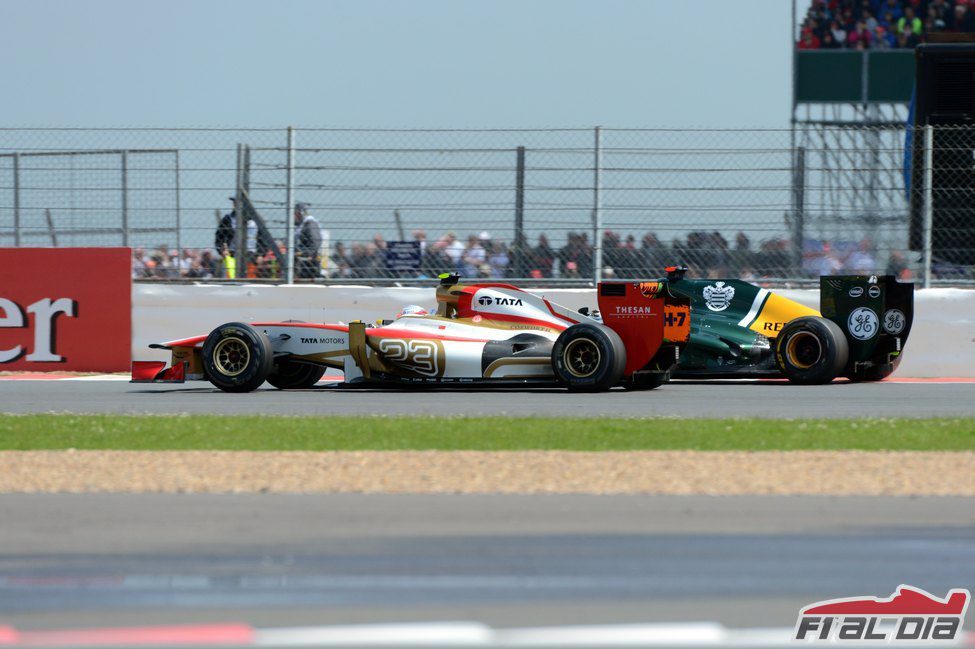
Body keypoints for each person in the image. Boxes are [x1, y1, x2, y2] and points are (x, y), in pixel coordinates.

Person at [293, 202, 322, 279]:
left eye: (295, 214)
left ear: (300, 213)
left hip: (309, 265)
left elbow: (315, 243)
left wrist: (304, 254)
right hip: (303, 263)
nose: (293, 217)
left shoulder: (310, 224)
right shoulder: (301, 226)